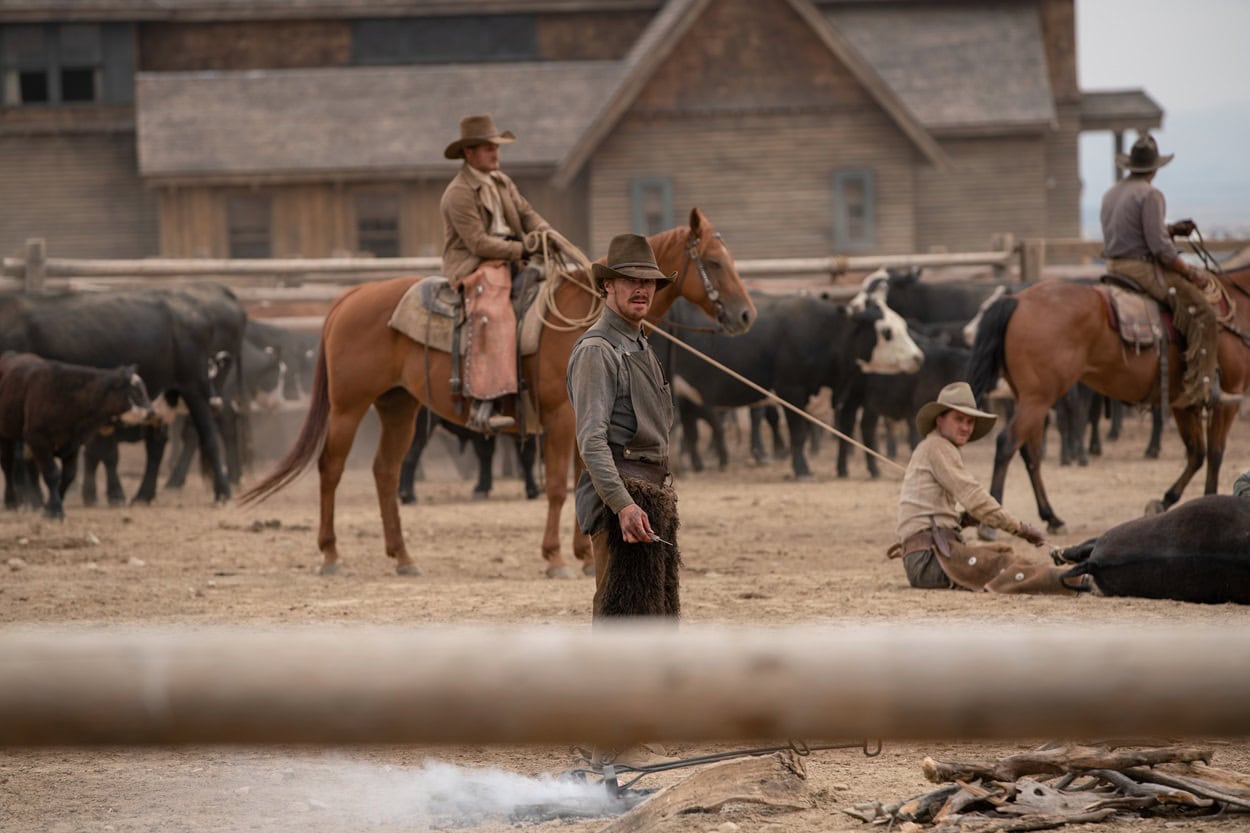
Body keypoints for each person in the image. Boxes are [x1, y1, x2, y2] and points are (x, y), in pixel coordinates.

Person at [566, 232, 680, 770]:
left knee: (651, 613)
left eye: (649, 282)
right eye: (631, 280)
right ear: (608, 285)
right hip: (623, 496)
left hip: (650, 494)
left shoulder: (639, 341)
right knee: (617, 612)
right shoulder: (597, 349)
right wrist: (622, 503)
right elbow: (590, 440)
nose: (642, 290)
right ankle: (605, 739)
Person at [891, 382, 1084, 595]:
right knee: (1005, 565)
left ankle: (1072, 578)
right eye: (958, 419)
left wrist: (963, 519)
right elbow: (974, 497)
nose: (965, 427)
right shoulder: (938, 447)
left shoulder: (933, 447)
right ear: (940, 420)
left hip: (928, 555)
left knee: (1004, 554)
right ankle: (1078, 581)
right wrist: (1020, 528)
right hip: (929, 559)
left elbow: (930, 511)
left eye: (970, 421)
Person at [441, 113, 553, 432]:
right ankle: (484, 404)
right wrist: (523, 249)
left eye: (496, 147)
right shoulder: (458, 193)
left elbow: (527, 214)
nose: (495, 154)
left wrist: (546, 233)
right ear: (469, 153)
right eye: (488, 148)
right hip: (475, 264)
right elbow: (477, 242)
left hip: (511, 259)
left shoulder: (502, 182)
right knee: (493, 311)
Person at [1101, 132, 1228, 408]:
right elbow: (1161, 250)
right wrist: (1190, 272)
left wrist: (1169, 229)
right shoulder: (1151, 194)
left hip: (1113, 266)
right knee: (1203, 312)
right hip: (1141, 270)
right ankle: (1203, 387)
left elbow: (1134, 232)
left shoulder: (1112, 192)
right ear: (1155, 168)